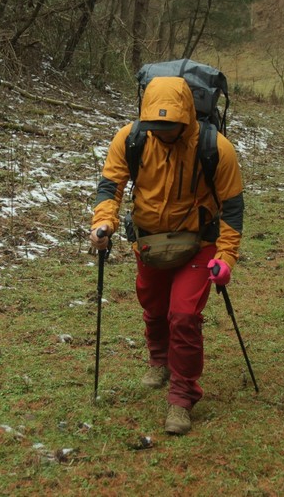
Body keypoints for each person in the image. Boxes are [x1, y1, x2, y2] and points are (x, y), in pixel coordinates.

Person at [89, 75, 244, 435]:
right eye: (156, 125)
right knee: (154, 307)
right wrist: (104, 223)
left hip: (198, 244)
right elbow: (110, 186)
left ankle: (182, 396)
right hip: (149, 243)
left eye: (170, 126)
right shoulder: (131, 139)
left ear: (187, 117)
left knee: (184, 315)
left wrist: (227, 257)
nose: (163, 132)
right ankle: (159, 360)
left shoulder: (216, 148)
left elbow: (232, 208)